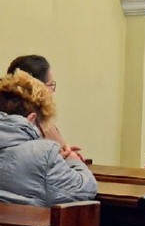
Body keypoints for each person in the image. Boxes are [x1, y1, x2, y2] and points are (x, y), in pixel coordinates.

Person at [0, 70, 97, 206]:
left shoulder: (43, 156)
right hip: (31, 224)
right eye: (41, 125)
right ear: (32, 119)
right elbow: (86, 189)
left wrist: (54, 161)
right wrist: (72, 160)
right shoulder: (43, 153)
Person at [7, 55, 81, 160]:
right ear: (38, 88)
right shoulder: (36, 124)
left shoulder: (6, 121)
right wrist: (71, 160)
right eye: (51, 85)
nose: (53, 91)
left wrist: (67, 153)